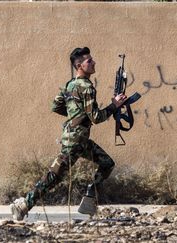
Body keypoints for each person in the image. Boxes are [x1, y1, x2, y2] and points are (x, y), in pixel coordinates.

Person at [10, 47, 127, 220]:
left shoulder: (70, 84)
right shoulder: (87, 87)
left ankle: (89, 199)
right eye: (89, 61)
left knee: (107, 163)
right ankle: (23, 206)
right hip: (75, 142)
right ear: (79, 65)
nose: (93, 62)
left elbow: (56, 106)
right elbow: (95, 117)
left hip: (79, 140)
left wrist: (75, 115)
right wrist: (113, 106)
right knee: (54, 176)